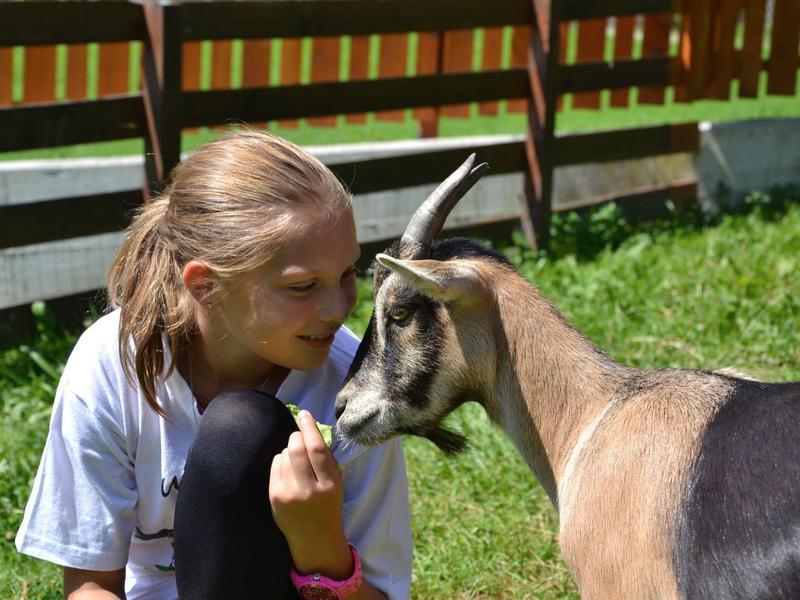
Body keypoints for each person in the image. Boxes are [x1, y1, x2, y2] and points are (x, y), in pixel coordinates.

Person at [15, 130, 412, 600]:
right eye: (303, 286)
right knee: (237, 432)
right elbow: (89, 585)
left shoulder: (356, 389)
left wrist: (318, 544)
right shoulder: (113, 362)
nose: (339, 307)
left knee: (240, 430)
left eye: (347, 273)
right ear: (205, 285)